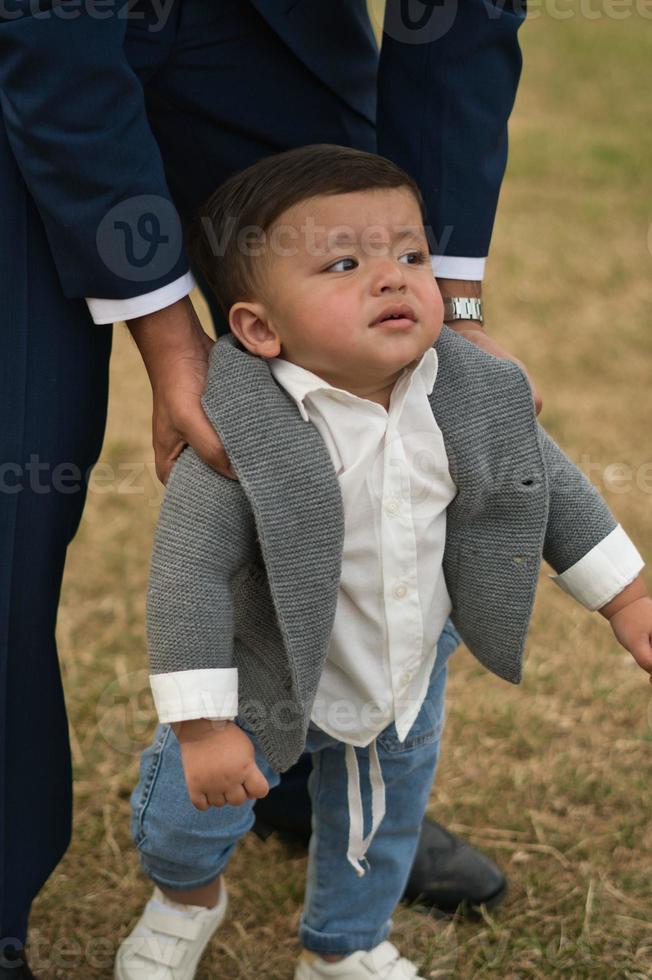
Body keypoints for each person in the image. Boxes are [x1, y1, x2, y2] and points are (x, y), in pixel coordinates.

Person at [0, 0, 530, 970]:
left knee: (348, 386)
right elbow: (52, 42)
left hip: (266, 30)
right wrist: (168, 337)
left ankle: (298, 767)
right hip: (27, 32)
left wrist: (443, 302)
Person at [114, 144, 651, 980]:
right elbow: (188, 575)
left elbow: (546, 483)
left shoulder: (470, 390)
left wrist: (627, 597)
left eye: (410, 254)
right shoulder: (239, 432)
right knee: (195, 815)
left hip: (400, 667)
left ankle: (345, 944)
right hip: (263, 673)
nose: (393, 277)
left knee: (381, 817)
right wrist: (201, 723)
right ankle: (186, 897)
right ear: (259, 327)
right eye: (344, 263)